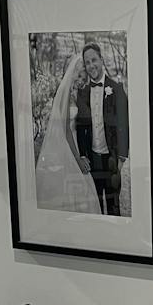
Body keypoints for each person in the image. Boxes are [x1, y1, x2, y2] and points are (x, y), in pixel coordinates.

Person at [34, 52, 100, 215]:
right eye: (80, 76)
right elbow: (65, 129)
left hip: (74, 143)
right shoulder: (64, 92)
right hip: (65, 145)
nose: (82, 81)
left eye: (84, 78)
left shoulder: (74, 93)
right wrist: (77, 159)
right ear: (74, 72)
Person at [72, 41, 129, 216]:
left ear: (101, 60)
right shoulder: (83, 92)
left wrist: (121, 157)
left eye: (94, 60)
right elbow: (81, 126)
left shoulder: (117, 89)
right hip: (92, 159)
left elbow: (124, 124)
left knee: (113, 206)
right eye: (87, 62)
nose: (91, 66)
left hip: (112, 159)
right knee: (95, 205)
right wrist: (83, 155)